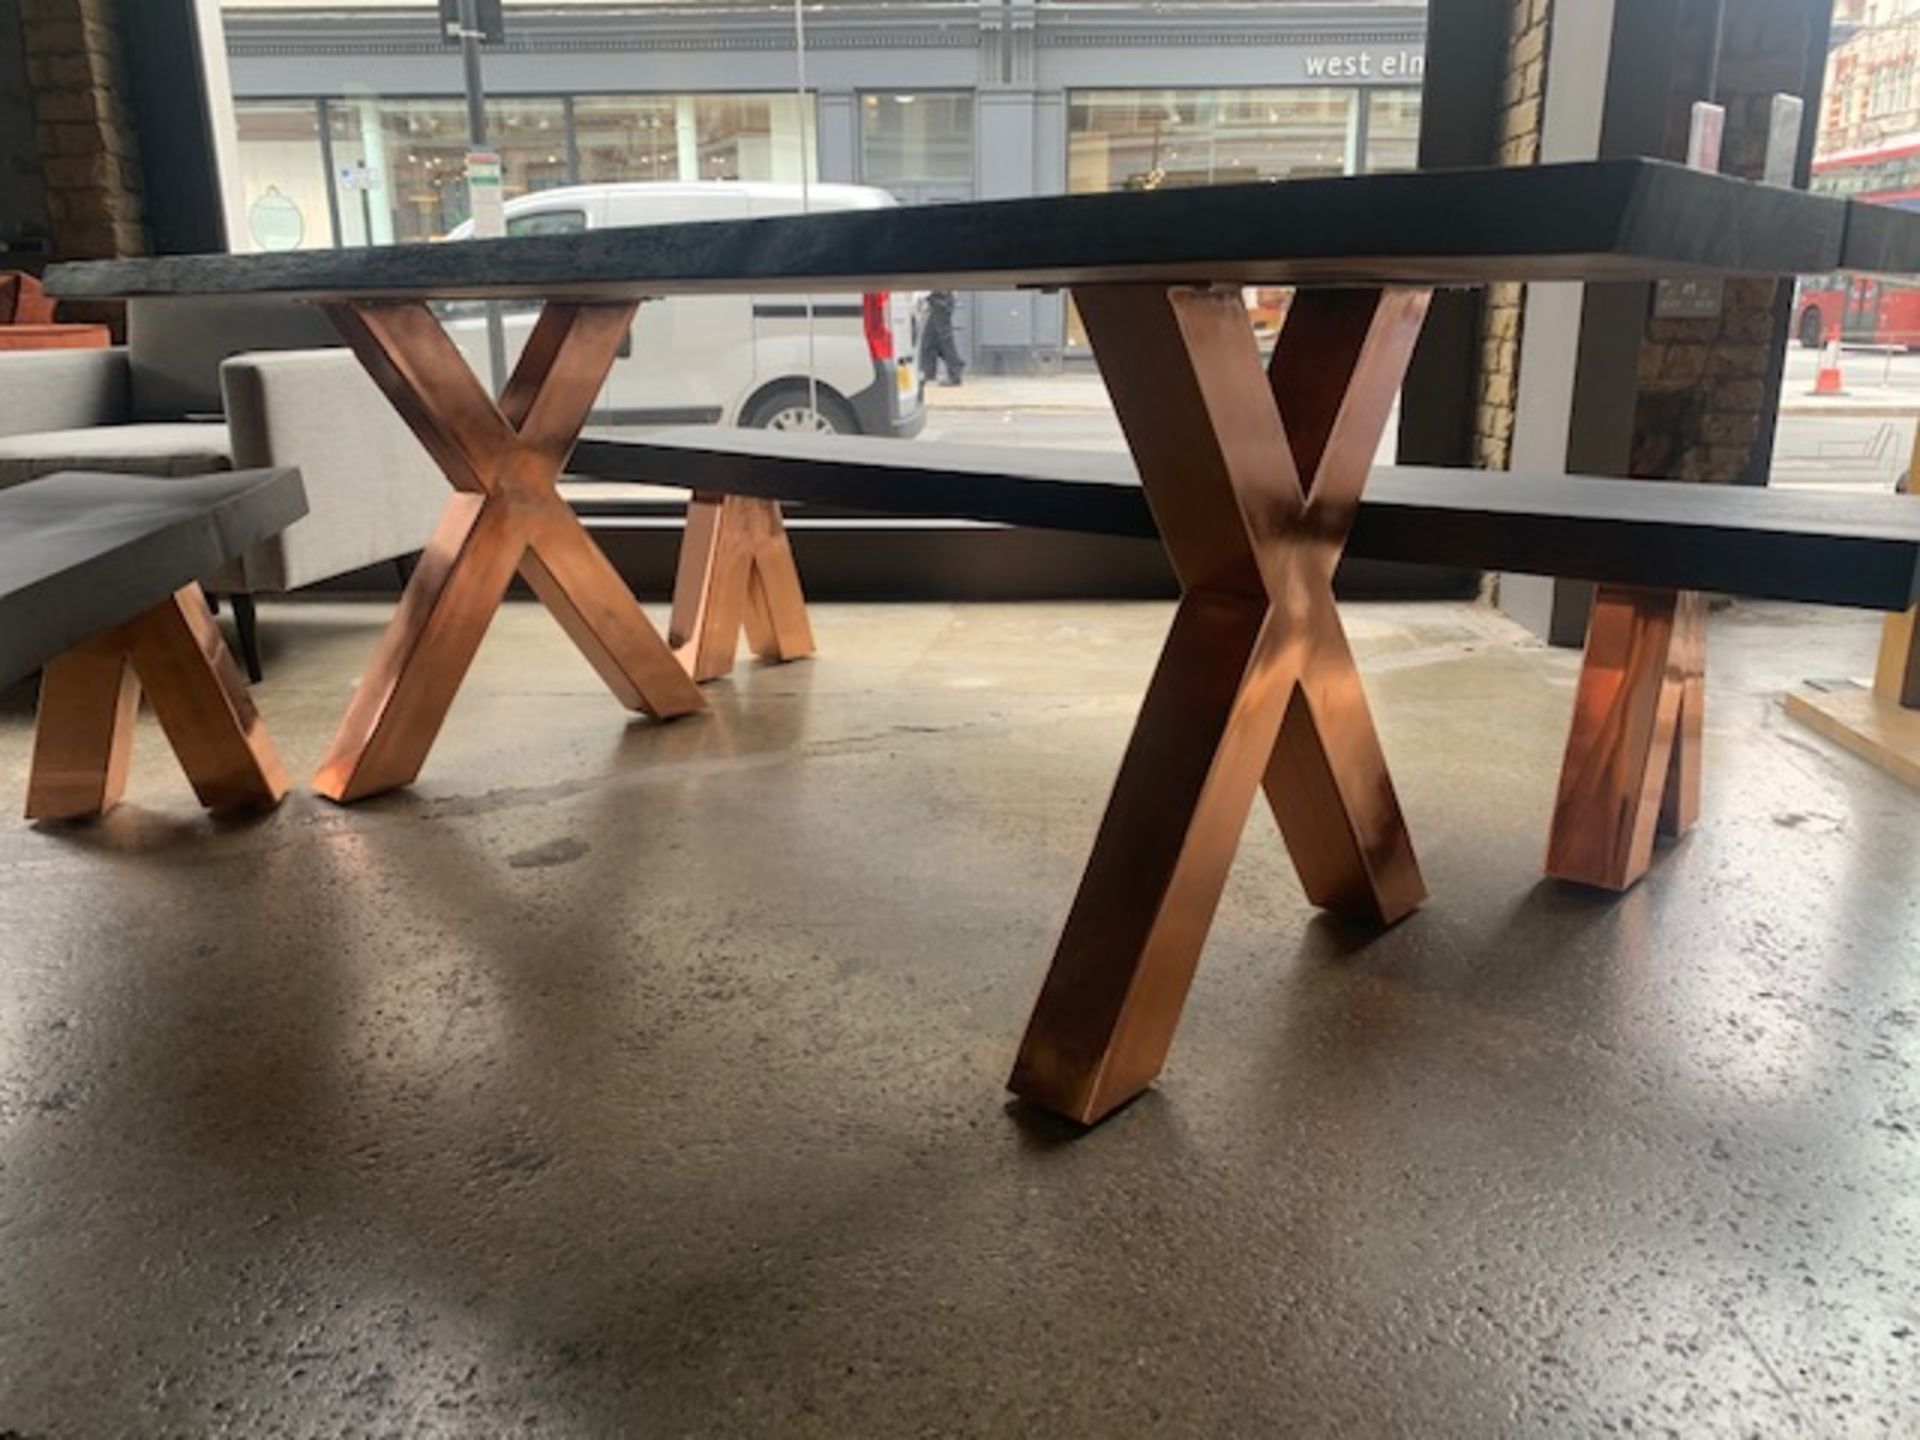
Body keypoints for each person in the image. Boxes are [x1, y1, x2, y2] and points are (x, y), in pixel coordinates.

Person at [920, 290, 964, 387]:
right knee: (930, 340)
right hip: (939, 299)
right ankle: (929, 373)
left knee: (944, 340)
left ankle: (955, 372)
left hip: (940, 300)